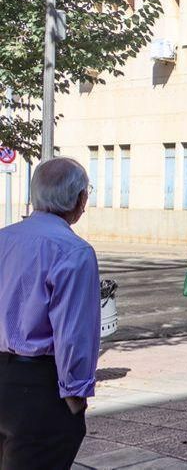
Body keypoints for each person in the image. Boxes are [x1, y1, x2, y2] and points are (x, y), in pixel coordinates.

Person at [0, 157, 98, 469]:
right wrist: (76, 394)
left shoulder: (3, 239)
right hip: (39, 385)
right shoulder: (73, 251)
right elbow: (73, 333)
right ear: (80, 199)